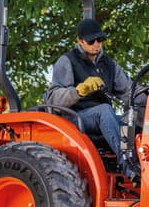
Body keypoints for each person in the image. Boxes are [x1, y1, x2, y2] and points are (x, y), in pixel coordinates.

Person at [46, 18, 134, 175]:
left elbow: (130, 91)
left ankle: (139, 161)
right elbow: (53, 99)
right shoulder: (67, 61)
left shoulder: (109, 64)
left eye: (99, 39)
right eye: (91, 40)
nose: (96, 44)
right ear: (80, 41)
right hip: (75, 118)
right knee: (105, 110)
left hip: (102, 119)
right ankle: (129, 165)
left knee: (132, 118)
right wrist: (80, 90)